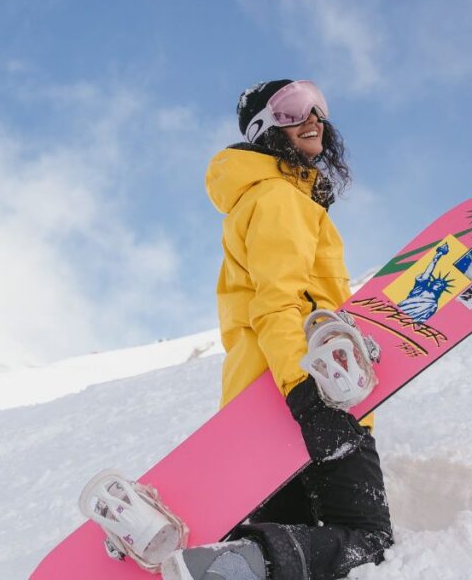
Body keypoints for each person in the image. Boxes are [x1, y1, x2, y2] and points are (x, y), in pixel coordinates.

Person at [161, 80, 393, 580]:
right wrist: (310, 396)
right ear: (265, 128)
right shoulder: (280, 199)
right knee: (367, 539)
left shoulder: (258, 199)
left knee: (299, 551)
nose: (312, 118)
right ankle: (240, 559)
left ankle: (235, 561)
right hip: (307, 391)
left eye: (318, 106)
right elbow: (281, 303)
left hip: (259, 408)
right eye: (292, 109)